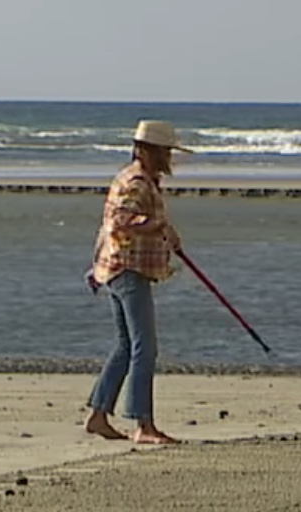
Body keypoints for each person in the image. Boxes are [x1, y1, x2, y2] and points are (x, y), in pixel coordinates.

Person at [84, 119, 191, 445]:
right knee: (145, 347)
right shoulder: (137, 182)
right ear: (148, 151)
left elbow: (110, 226)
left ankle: (99, 414)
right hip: (128, 271)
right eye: (164, 152)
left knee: (126, 346)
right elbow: (120, 223)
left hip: (116, 268)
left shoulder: (142, 179)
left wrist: (165, 232)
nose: (168, 158)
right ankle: (143, 425)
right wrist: (158, 225)